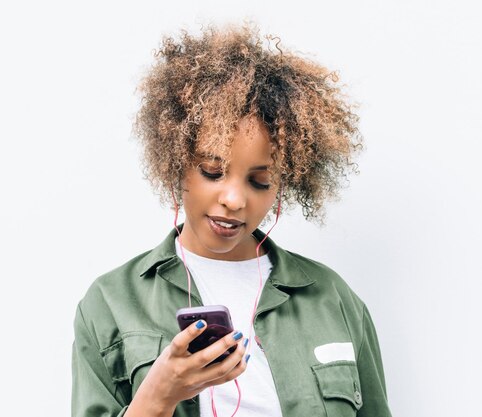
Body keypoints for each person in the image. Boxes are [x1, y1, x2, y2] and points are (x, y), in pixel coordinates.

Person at [72, 23, 392, 417]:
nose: (234, 200)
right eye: (211, 171)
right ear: (176, 163)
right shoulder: (111, 302)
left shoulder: (332, 298)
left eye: (260, 181)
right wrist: (158, 396)